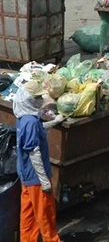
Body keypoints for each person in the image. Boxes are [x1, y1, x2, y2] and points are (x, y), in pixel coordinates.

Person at [13, 80, 65, 242]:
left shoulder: (23, 117)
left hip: (26, 176)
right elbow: (33, 152)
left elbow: (37, 131)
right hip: (36, 178)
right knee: (46, 215)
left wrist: (54, 122)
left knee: (28, 215)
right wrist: (44, 181)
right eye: (36, 97)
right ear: (29, 99)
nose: (39, 100)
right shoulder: (31, 121)